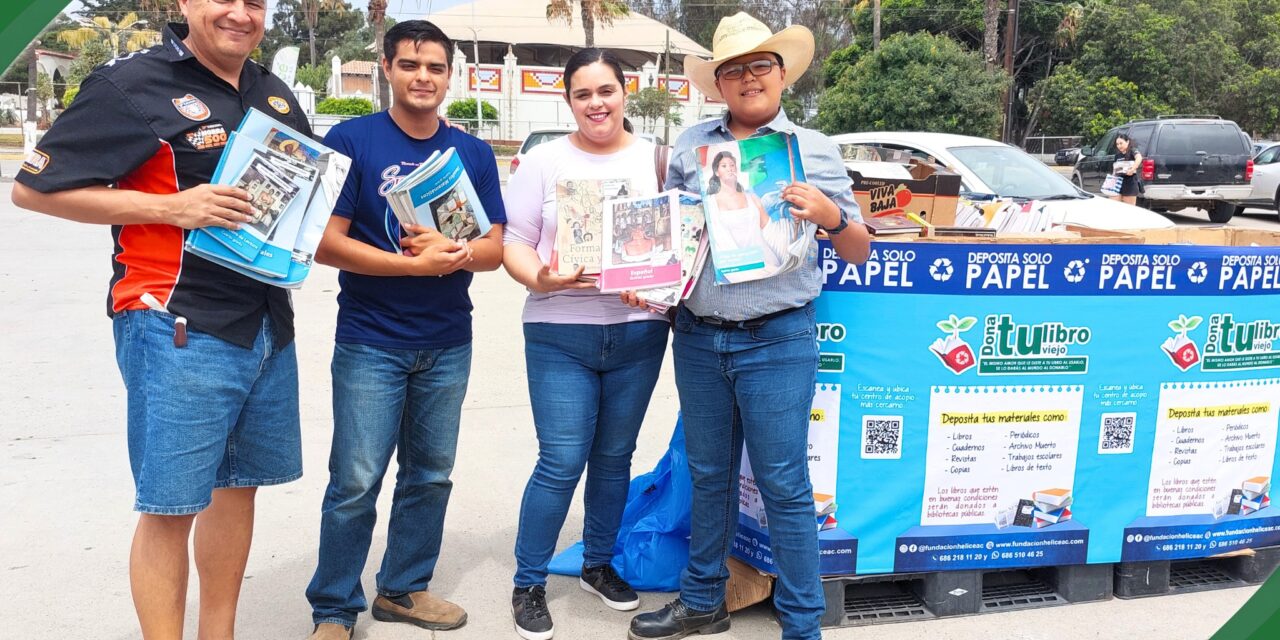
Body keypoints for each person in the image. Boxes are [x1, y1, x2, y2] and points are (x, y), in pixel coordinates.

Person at [10, 1, 309, 637]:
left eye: (256, 2)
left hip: (263, 323)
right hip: (175, 324)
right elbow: (33, 190)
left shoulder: (273, 92)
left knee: (238, 488)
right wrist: (172, 208)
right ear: (185, 4)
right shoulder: (132, 83)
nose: (241, 14)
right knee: (170, 508)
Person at [625, 12, 871, 640]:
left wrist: (830, 216)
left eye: (761, 65)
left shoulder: (814, 150)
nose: (749, 78)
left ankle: (802, 624)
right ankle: (703, 602)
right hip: (700, 336)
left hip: (778, 338)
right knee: (708, 477)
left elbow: (859, 250)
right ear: (719, 83)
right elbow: (673, 239)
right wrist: (647, 272)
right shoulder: (690, 147)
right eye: (733, 69)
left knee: (783, 483)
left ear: (782, 74)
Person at [303, 20, 506, 640]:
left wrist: (455, 252)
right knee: (356, 480)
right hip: (371, 339)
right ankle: (334, 608)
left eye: (436, 67)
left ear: (450, 76)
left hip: (447, 340)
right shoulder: (352, 140)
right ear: (387, 68)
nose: (424, 77)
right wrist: (412, 266)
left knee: (430, 474)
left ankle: (403, 588)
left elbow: (493, 248)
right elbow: (325, 243)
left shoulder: (471, 153)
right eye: (411, 65)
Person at [502, 48, 670, 640]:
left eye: (606, 91)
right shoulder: (543, 162)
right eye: (583, 94)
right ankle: (528, 581)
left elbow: (680, 240)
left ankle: (598, 564)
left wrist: (655, 283)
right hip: (559, 330)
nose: (596, 103)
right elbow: (514, 242)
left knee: (615, 457)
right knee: (562, 459)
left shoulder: (657, 159)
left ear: (625, 92)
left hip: (638, 331)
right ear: (568, 100)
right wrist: (541, 277)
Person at [1113, 132, 1143, 206]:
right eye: (1117, 144)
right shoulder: (1117, 155)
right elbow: (1115, 169)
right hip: (1118, 183)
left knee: (1129, 208)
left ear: (1127, 142)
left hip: (1130, 183)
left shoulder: (1132, 151)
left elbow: (1139, 158)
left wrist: (1132, 169)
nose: (1119, 146)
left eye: (1121, 143)